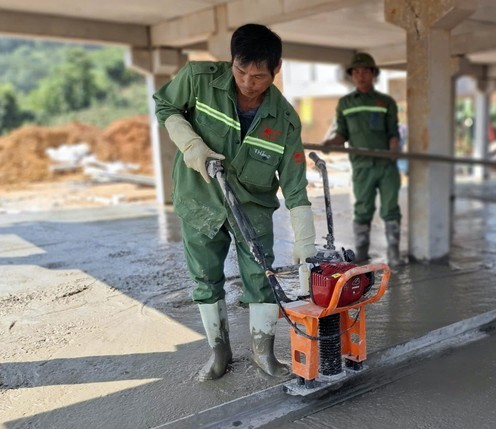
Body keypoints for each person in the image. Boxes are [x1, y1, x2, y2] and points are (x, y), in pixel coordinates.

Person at [153, 23, 317, 381]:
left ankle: (263, 353)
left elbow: (295, 186)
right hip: (201, 198)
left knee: (262, 278)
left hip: (253, 206)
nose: (248, 82)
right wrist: (192, 146)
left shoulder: (285, 120)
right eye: (240, 71)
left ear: (276, 70)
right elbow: (165, 105)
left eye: (258, 76)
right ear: (232, 62)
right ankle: (219, 353)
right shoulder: (198, 78)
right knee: (206, 278)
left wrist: (306, 244)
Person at [321, 52, 401, 266]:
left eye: (365, 71)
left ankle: (394, 254)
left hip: (386, 166)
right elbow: (342, 134)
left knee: (391, 209)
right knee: (363, 210)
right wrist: (331, 143)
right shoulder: (346, 104)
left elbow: (393, 133)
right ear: (352, 75)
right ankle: (362, 255)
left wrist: (394, 149)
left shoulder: (385, 102)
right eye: (356, 72)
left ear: (373, 73)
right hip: (362, 166)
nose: (360, 75)